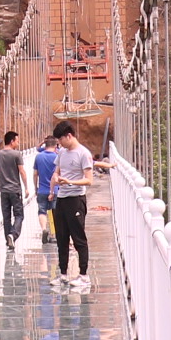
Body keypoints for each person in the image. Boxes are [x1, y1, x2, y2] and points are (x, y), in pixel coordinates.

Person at [47, 122, 110, 290]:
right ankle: (63, 274)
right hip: (61, 198)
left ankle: (84, 276)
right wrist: (53, 187)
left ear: (69, 136)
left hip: (76, 199)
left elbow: (89, 180)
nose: (59, 144)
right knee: (61, 238)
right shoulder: (62, 153)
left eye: (60, 140)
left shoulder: (83, 153)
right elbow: (57, 172)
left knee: (78, 238)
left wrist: (70, 181)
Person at [0, 131, 26, 250]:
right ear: (12, 141)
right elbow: (22, 171)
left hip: (3, 191)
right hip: (15, 190)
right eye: (17, 140)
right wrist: (27, 187)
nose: (18, 143)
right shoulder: (16, 154)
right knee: (19, 215)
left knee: (6, 217)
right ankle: (13, 235)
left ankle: (8, 241)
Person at [29, 133, 61, 250]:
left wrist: (35, 188)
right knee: (55, 212)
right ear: (56, 145)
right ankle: (54, 235)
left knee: (42, 211)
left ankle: (44, 229)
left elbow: (35, 174)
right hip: (56, 189)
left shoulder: (39, 157)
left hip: (42, 189)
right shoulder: (57, 156)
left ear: (45, 144)